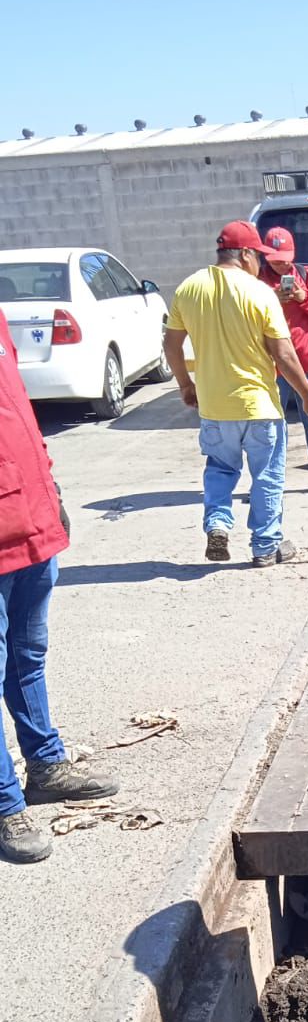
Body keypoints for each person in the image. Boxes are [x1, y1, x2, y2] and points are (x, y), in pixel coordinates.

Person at [0, 311, 118, 865]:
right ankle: (4, 803)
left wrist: (52, 488)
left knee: (28, 656)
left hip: (30, 517)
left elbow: (17, 409)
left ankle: (45, 764)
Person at [164, 221, 308, 566]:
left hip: (214, 406)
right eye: (259, 258)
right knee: (267, 474)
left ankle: (218, 523)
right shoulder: (260, 293)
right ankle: (266, 546)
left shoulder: (188, 289)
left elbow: (171, 344)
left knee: (220, 468)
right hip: (259, 405)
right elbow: (283, 354)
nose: (261, 266)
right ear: (247, 254)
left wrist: (185, 385)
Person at [259, 227, 308, 496]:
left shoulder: (307, 276)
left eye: (286, 258)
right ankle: (271, 480)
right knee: (272, 422)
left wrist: (305, 298)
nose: (282, 263)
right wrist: (272, 300)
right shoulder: (257, 284)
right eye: (276, 258)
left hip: (307, 360)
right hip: (272, 364)